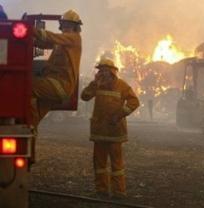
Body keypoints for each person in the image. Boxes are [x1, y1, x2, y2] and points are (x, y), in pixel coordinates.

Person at [81, 57, 140, 198]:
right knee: (99, 163)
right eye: (100, 71)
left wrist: (119, 115)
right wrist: (94, 83)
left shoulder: (122, 86)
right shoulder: (97, 85)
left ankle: (119, 191)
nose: (102, 74)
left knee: (116, 164)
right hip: (100, 132)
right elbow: (84, 96)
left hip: (115, 132)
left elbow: (134, 102)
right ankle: (101, 190)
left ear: (112, 72)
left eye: (105, 71)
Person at [30, 9, 82, 163]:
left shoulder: (74, 39)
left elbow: (52, 37)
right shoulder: (62, 43)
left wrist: (31, 30)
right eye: (64, 24)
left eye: (69, 25)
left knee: (27, 86)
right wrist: (30, 39)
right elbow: (47, 42)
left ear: (75, 27)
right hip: (54, 85)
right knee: (31, 121)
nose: (66, 27)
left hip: (60, 85)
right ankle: (29, 156)